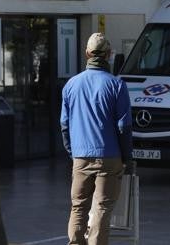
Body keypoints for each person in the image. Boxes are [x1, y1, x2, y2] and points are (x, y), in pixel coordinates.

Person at [60, 33, 133, 245]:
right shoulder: (117, 85)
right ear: (109, 55)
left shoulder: (71, 85)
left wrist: (73, 154)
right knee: (101, 208)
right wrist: (126, 157)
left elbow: (64, 124)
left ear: (86, 54)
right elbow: (124, 126)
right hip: (109, 157)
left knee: (78, 206)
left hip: (81, 156)